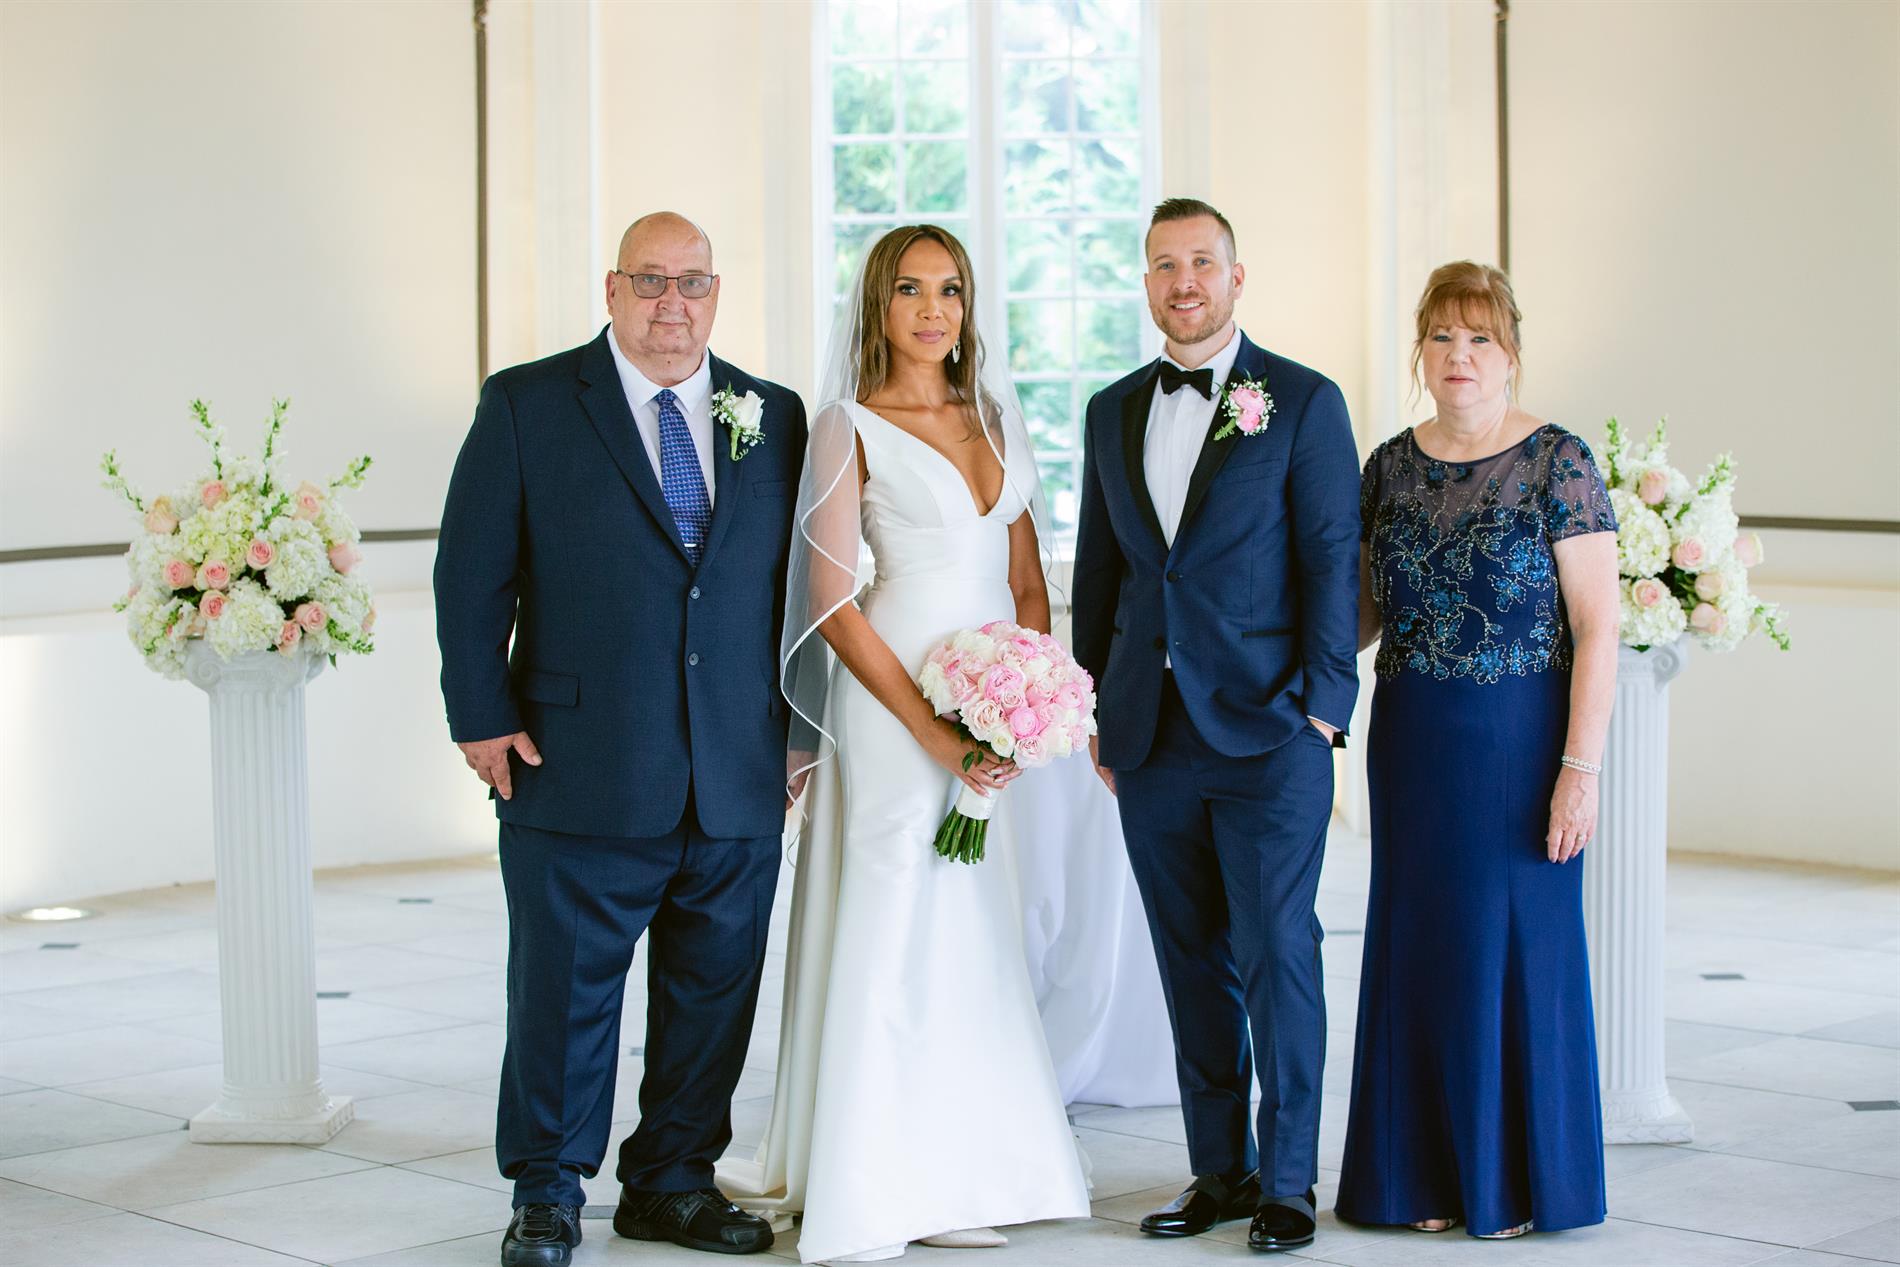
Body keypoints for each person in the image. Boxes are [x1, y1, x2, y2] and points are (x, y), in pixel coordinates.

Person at [434, 212, 807, 1265]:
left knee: (713, 993)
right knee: (563, 993)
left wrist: (799, 731)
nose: (670, 304)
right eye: (650, 281)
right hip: (577, 762)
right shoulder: (527, 403)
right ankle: (547, 1190)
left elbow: (802, 593)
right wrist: (481, 714)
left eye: (691, 282)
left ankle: (672, 1182)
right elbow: (470, 574)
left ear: (716, 293)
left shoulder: (773, 414)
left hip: (735, 769)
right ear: (612, 289)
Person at [717, 224, 1089, 1263]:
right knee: (894, 915)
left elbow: (1026, 583)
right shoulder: (849, 425)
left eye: (951, 289)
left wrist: (1019, 706)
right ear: (878, 305)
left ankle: (963, 1169)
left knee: (970, 925)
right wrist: (934, 730)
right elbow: (833, 604)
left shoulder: (996, 418)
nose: (934, 309)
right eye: (912, 289)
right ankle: (874, 1182)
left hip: (990, 706)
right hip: (893, 710)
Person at [1070, 197, 1361, 1254]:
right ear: (1146, 282)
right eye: (1164, 264)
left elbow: (1333, 560)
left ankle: (1288, 1181)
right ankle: (1221, 1171)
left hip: (1272, 731)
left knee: (1278, 952)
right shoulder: (1110, 410)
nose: (1183, 281)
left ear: (1237, 277)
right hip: (1149, 737)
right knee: (1188, 959)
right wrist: (1097, 707)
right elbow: (1102, 572)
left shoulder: (1304, 400)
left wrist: (1322, 712)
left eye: (1202, 262)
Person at [1335, 261, 1616, 1239]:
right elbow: (1360, 616)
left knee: (1511, 948)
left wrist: (1579, 770)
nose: (1459, 355)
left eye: (1479, 337)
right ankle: (1416, 1181)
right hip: (1411, 742)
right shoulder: (1387, 467)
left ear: (1510, 351)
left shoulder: (1557, 461)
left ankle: (1511, 1184)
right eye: (1441, 336)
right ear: (1419, 349)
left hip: (1521, 747)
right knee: (1419, 946)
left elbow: (1599, 628)